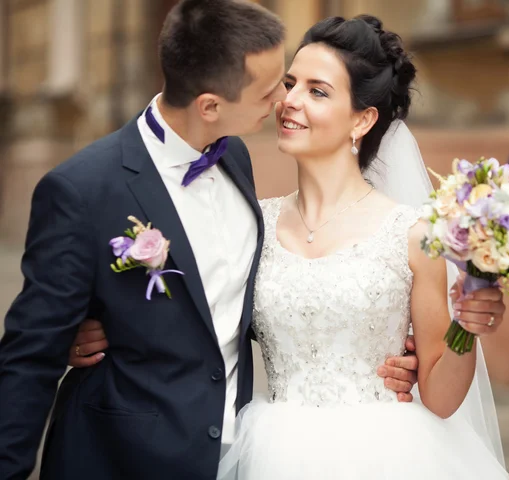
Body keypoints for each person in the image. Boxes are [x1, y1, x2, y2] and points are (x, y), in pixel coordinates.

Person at [0, 1, 416, 479]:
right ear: (211, 106)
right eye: (271, 91)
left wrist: (382, 340)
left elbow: (252, 300)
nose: (282, 104)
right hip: (121, 459)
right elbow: (28, 359)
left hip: (241, 457)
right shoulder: (82, 190)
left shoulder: (235, 160)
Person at [211, 15, 509, 479]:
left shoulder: (411, 235)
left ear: (362, 119)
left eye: (317, 91)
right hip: (274, 452)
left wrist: (466, 328)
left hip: (389, 454)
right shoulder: (254, 224)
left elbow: (443, 397)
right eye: (290, 84)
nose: (289, 101)